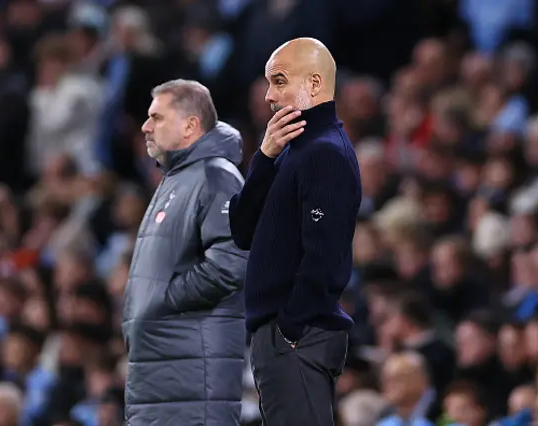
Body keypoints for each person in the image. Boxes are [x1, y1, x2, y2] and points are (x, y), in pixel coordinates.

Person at [229, 38, 362, 425]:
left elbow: (323, 255)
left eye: (280, 81)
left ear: (315, 84)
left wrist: (290, 328)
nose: (269, 95)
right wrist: (265, 157)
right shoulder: (290, 148)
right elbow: (241, 230)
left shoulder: (324, 152)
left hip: (297, 336)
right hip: (282, 335)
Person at [121, 79, 248, 426]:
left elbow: (230, 265)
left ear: (190, 125)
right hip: (163, 374)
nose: (146, 126)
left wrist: (163, 300)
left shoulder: (216, 176)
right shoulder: (176, 180)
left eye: (157, 118)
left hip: (192, 379)